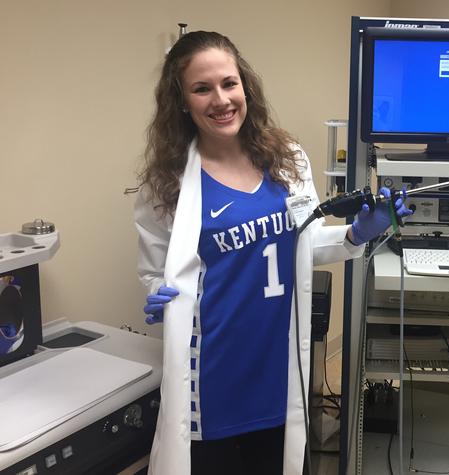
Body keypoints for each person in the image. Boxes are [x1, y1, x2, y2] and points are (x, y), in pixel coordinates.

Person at [134, 31, 410, 475]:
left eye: (229, 83)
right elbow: (154, 271)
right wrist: (156, 295)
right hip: (212, 377)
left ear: (245, 85)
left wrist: (357, 234)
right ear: (182, 101)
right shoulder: (166, 185)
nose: (221, 100)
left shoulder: (289, 160)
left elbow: (303, 247)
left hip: (278, 369)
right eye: (202, 88)